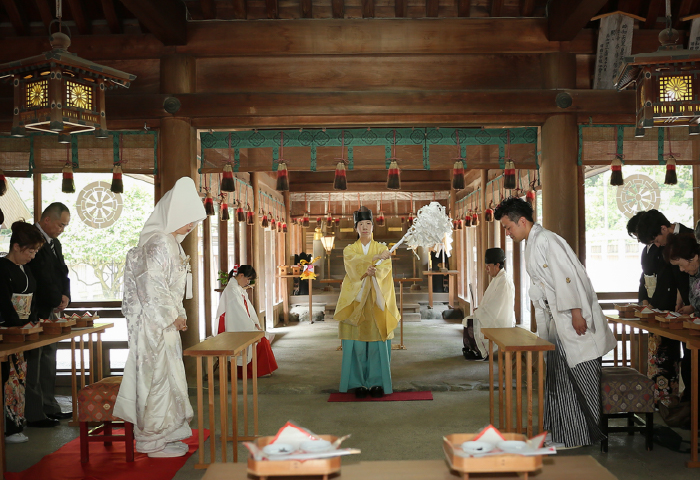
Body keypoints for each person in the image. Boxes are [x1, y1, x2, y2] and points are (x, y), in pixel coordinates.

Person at [495, 197, 616, 448]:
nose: (507, 233)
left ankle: (577, 436)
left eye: (508, 227)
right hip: (557, 319)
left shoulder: (547, 240)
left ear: (522, 221)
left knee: (575, 378)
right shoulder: (533, 242)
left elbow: (568, 277)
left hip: (571, 317)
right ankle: (562, 432)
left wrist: (576, 312)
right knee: (557, 377)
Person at [113, 177, 206, 458]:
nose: (191, 224)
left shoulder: (171, 243)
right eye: (188, 218)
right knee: (156, 379)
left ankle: (166, 434)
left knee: (169, 377)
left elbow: (169, 288)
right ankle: (150, 440)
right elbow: (151, 284)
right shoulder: (160, 242)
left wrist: (178, 314)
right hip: (153, 324)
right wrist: (171, 315)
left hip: (164, 322)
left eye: (194, 220)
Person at [334, 207, 400, 398]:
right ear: (356, 228)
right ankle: (358, 383)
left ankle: (377, 382)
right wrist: (371, 261)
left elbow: (385, 269)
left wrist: (375, 270)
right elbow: (352, 264)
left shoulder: (382, 249)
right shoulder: (350, 249)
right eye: (361, 224)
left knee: (377, 344)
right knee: (357, 346)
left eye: (368, 223)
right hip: (355, 301)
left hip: (375, 301)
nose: (365, 227)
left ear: (373, 226)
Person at [637, 209, 693, 412]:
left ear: (663, 228)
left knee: (689, 358)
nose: (657, 244)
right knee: (685, 361)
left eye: (656, 240)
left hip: (691, 305)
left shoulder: (690, 236)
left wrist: (690, 302)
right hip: (678, 307)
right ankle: (685, 408)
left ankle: (689, 408)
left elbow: (688, 276)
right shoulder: (660, 246)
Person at [627, 211, 682, 406]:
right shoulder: (648, 250)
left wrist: (658, 304)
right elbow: (644, 277)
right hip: (652, 305)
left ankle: (669, 399)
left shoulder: (666, 245)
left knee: (667, 353)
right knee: (655, 353)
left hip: (667, 304)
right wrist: (643, 301)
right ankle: (657, 397)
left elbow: (671, 278)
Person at [25, 202, 72, 428]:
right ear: (47, 220)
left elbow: (63, 272)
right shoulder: (29, 237)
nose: (62, 229)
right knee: (34, 361)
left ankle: (49, 405)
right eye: (60, 224)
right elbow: (39, 277)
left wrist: (65, 295)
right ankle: (35, 413)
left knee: (49, 358)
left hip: (52, 309)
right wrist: (54, 299)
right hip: (35, 309)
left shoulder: (56, 243)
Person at [0, 221, 45, 443]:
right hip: (8, 330)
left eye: (35, 252)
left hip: (23, 329)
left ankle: (17, 424)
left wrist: (33, 321)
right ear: (16, 247)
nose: (33, 256)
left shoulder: (26, 268)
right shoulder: (2, 267)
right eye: (30, 251)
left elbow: (32, 299)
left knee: (19, 379)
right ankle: (9, 428)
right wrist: (16, 325)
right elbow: (3, 301)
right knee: (8, 380)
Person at [660, 232, 700, 427]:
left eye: (683, 265)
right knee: (689, 366)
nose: (682, 270)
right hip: (696, 329)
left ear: (694, 257)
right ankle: (691, 414)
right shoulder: (694, 273)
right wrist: (691, 308)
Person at [215, 264, 278, 378]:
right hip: (233, 328)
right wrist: (252, 326)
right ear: (241, 275)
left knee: (262, 338)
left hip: (240, 325)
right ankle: (254, 371)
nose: (248, 282)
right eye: (248, 279)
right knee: (261, 341)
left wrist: (255, 323)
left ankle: (263, 370)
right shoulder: (232, 291)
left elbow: (247, 310)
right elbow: (238, 315)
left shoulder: (237, 288)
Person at [462, 248, 515, 361]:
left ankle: (480, 352)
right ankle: (474, 350)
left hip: (500, 320)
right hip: (494, 316)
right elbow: (491, 302)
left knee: (472, 323)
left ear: (497, 265)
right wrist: (480, 309)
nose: (486, 269)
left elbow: (497, 306)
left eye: (488, 266)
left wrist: (480, 311)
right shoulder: (498, 278)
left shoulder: (504, 281)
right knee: (469, 320)